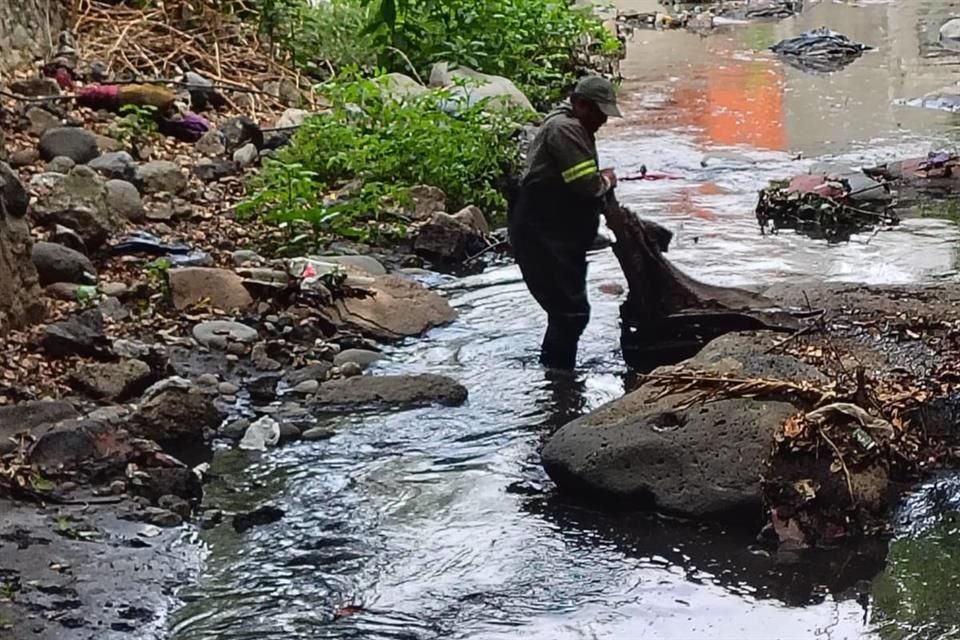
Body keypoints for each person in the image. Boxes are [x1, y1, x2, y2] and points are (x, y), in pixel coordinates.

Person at [508, 75, 622, 370]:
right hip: (543, 235)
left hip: (555, 234)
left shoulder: (568, 124)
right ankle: (559, 380)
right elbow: (585, 184)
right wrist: (606, 181)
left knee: (567, 311)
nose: (603, 121)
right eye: (599, 113)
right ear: (581, 104)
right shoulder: (565, 129)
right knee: (568, 312)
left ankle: (557, 376)